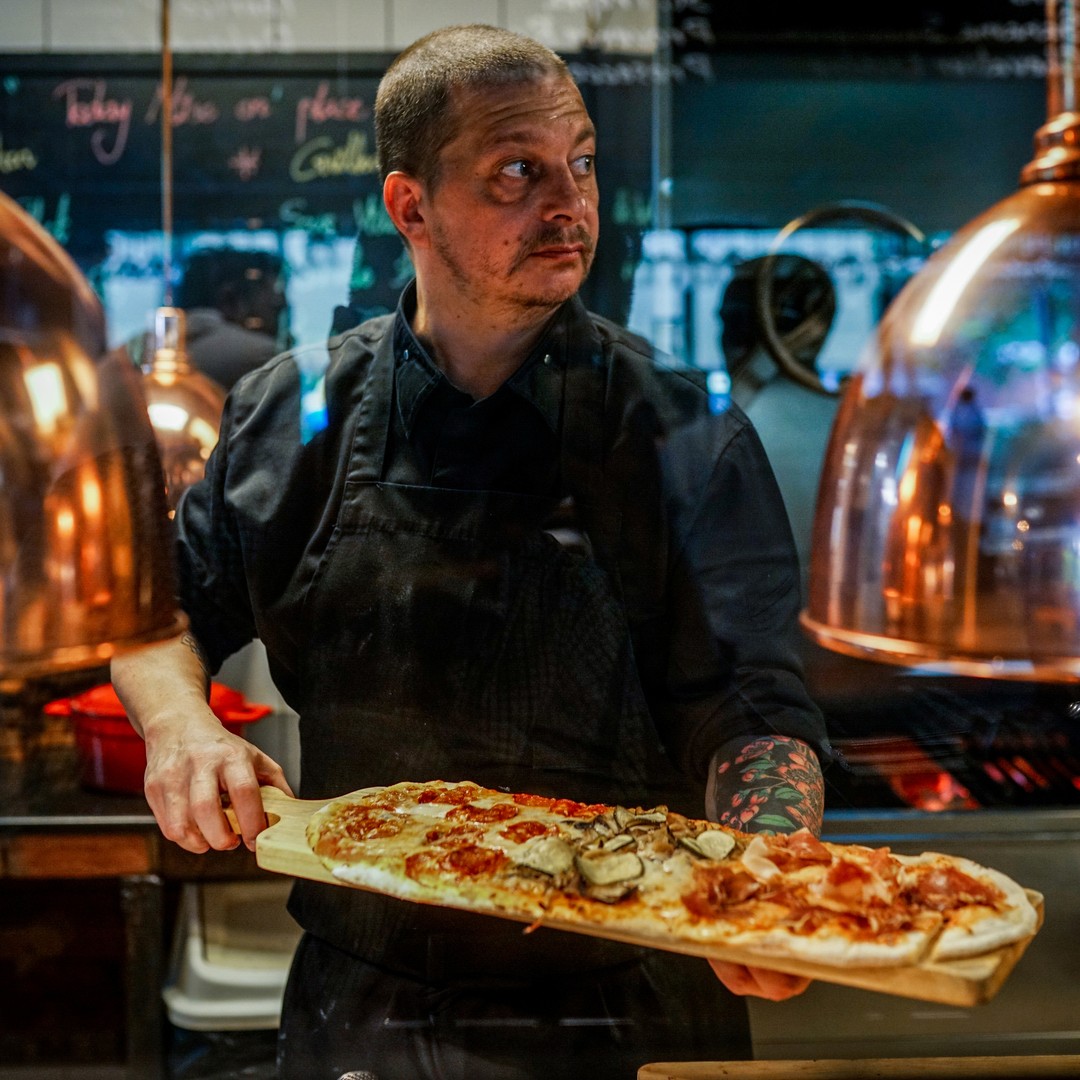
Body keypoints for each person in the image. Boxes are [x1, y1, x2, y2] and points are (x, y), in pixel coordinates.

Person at [111, 25, 830, 1080]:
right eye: (516, 173)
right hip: (366, 1004)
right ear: (411, 206)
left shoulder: (682, 429)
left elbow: (755, 709)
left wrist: (775, 863)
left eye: (581, 162)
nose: (571, 204)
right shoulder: (290, 414)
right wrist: (180, 729)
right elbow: (159, 617)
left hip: (628, 1005)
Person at [172, 246, 287, 389]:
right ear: (229, 300)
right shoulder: (262, 355)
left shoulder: (144, 350)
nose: (280, 303)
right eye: (268, 292)